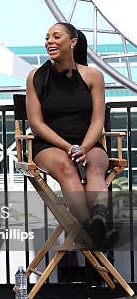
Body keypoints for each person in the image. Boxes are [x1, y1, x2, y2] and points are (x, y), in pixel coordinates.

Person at [26, 23, 116, 248]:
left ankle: (98, 221)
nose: (50, 41)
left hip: (88, 142)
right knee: (67, 167)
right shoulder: (36, 76)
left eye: (56, 37)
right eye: (47, 37)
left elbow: (98, 120)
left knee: (95, 164)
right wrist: (68, 147)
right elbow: (36, 123)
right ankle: (93, 232)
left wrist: (84, 147)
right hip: (49, 145)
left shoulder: (93, 76)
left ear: (73, 42)